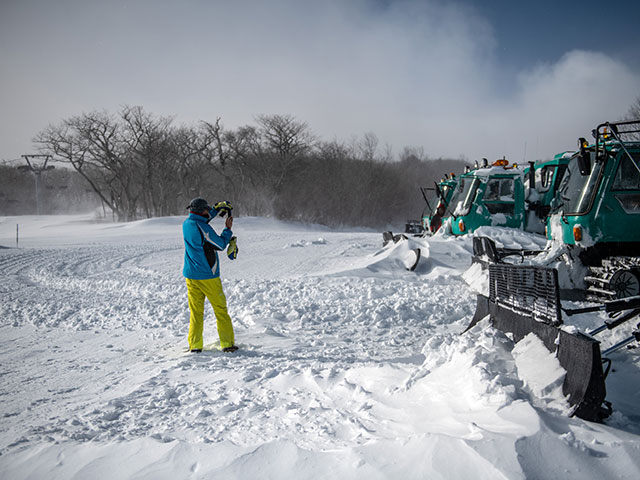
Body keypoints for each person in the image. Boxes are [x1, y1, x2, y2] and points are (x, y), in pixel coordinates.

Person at [182, 197, 238, 353]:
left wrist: (215, 209)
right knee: (220, 310)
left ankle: (195, 346)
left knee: (196, 313)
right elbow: (220, 244)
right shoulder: (203, 228)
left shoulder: (187, 224)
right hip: (208, 276)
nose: (208, 211)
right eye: (206, 209)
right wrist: (227, 230)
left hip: (191, 276)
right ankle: (227, 344)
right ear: (202, 211)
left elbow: (201, 218)